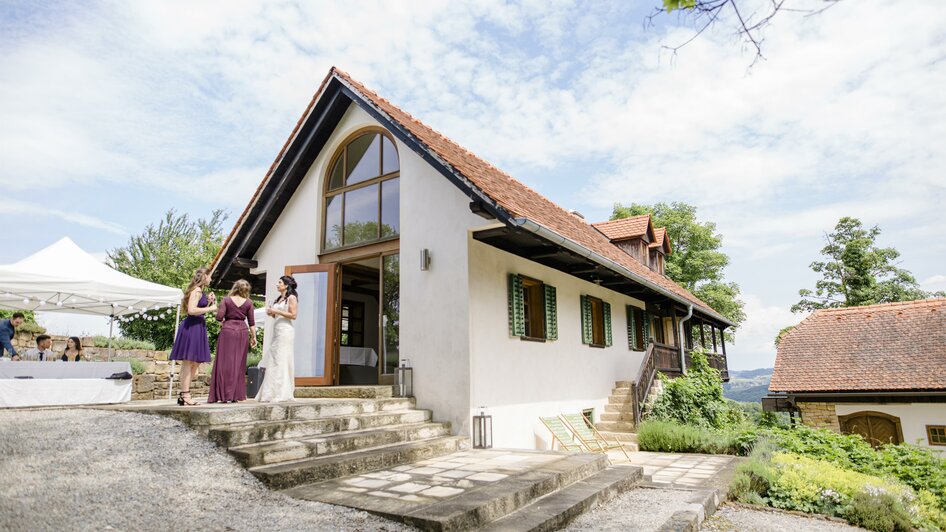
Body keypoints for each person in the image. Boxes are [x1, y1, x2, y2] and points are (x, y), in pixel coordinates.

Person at [169, 268, 217, 406]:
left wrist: (208, 301)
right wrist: (211, 308)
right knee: (188, 361)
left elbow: (197, 309)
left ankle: (184, 393)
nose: (211, 279)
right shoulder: (196, 291)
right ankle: (185, 395)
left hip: (198, 326)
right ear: (204, 277)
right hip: (192, 327)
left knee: (195, 362)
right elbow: (191, 310)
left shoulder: (200, 291)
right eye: (210, 277)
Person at [208, 279, 257, 403]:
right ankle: (235, 395)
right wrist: (254, 337)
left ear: (235, 287)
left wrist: (225, 323)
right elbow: (251, 323)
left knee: (223, 363)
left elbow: (219, 317)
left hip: (228, 331)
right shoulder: (249, 303)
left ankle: (221, 395)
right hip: (242, 331)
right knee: (238, 364)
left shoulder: (226, 300)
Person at [256, 275, 297, 403]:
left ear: (286, 285)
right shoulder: (279, 299)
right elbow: (277, 316)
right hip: (277, 329)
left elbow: (293, 315)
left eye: (279, 282)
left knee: (281, 359)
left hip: (286, 330)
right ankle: (270, 392)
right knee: (274, 359)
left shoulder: (292, 298)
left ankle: (281, 392)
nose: (277, 285)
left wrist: (277, 311)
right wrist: (272, 313)